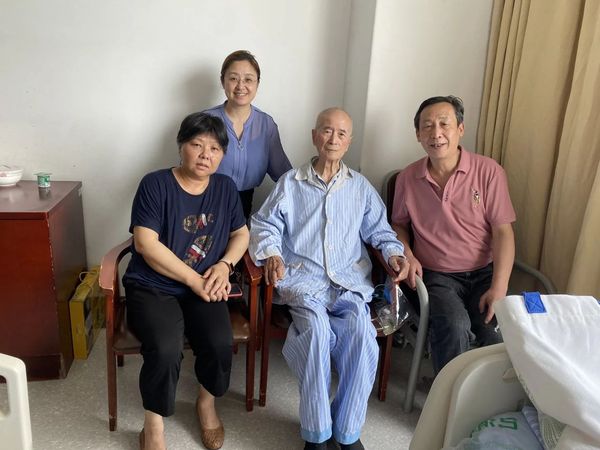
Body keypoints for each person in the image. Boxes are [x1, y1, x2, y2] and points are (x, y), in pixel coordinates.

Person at [250, 108, 409, 450]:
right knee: (317, 334)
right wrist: (272, 253)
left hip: (349, 284)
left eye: (341, 133)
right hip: (304, 283)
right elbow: (264, 224)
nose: (333, 139)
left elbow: (381, 232)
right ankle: (317, 433)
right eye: (326, 131)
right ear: (314, 136)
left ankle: (347, 431)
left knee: (362, 335)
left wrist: (394, 254)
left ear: (349, 141)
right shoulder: (290, 183)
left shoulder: (360, 187)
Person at [122, 112, 249, 450]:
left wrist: (224, 265)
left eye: (215, 148)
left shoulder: (225, 188)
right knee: (165, 349)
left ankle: (205, 403)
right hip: (152, 285)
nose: (206, 155)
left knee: (220, 343)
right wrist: (193, 279)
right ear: (181, 146)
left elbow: (241, 234)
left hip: (204, 284)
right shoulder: (155, 184)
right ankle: (153, 426)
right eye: (197, 145)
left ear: (222, 155)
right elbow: (145, 244)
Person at [391, 95, 516, 375]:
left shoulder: (489, 172)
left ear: (460, 129)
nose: (436, 133)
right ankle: (448, 395)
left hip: (484, 272)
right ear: (418, 134)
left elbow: (503, 232)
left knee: (495, 330)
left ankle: (486, 395)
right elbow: (398, 225)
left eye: (444, 124)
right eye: (427, 126)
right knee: (454, 325)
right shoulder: (408, 178)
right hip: (437, 275)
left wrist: (499, 287)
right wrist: (408, 254)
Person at [204, 50, 292, 218]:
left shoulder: (266, 125)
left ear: (257, 83)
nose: (240, 86)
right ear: (223, 81)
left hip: (244, 207)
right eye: (233, 78)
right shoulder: (205, 121)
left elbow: (284, 174)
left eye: (248, 79)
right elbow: (188, 169)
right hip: (204, 202)